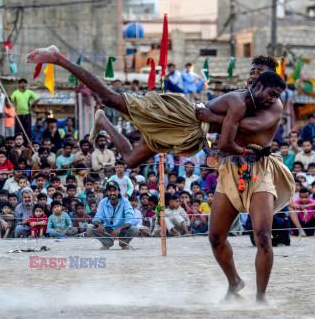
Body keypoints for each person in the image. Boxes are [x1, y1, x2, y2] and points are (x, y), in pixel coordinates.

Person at [28, 49, 293, 302]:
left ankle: (260, 297)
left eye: (259, 73)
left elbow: (249, 125)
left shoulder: (272, 105)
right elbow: (219, 127)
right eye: (252, 72)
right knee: (214, 237)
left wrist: (213, 117)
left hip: (258, 169)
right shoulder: (238, 99)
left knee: (262, 237)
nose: (253, 76)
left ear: (271, 83)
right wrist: (214, 121)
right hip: (202, 140)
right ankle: (64, 65)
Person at [87, 181, 139, 249]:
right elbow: (96, 218)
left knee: (134, 229)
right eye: (109, 190)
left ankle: (123, 243)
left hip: (122, 230)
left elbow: (130, 220)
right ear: (106, 192)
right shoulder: (103, 202)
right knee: (90, 229)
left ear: (119, 191)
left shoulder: (125, 201)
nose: (112, 193)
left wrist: (119, 228)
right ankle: (107, 243)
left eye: (115, 190)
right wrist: (99, 225)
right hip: (108, 230)